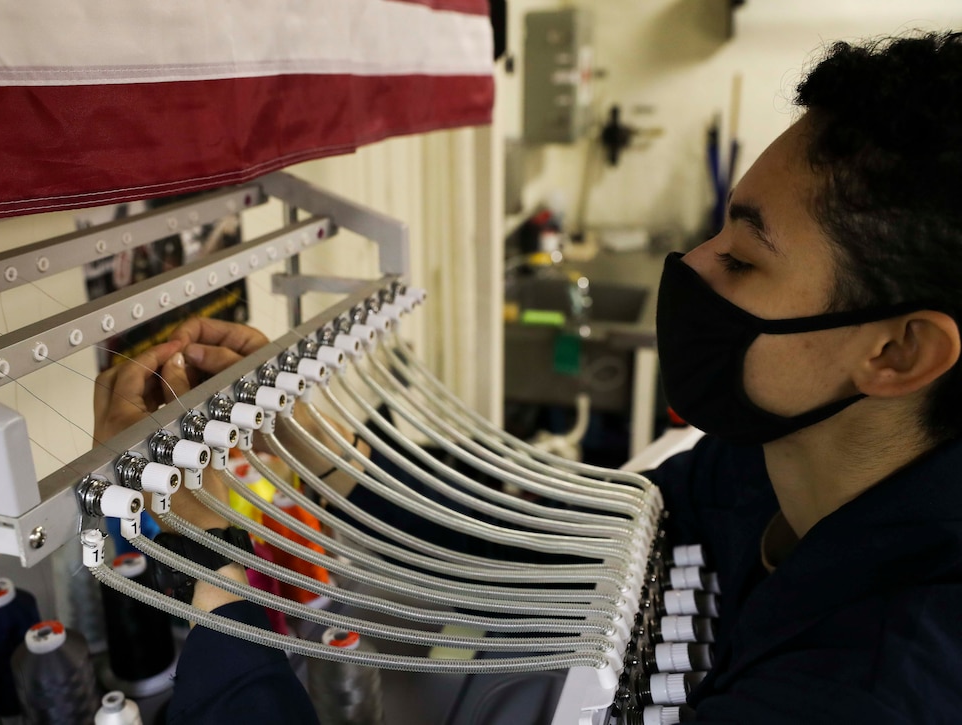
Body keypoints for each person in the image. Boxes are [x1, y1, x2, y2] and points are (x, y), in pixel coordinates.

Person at [92, 31, 962, 724]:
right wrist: (315, 447)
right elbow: (567, 537)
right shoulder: (775, 455)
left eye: (740, 255)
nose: (691, 265)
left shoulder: (872, 686)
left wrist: (213, 568)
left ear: (897, 353)